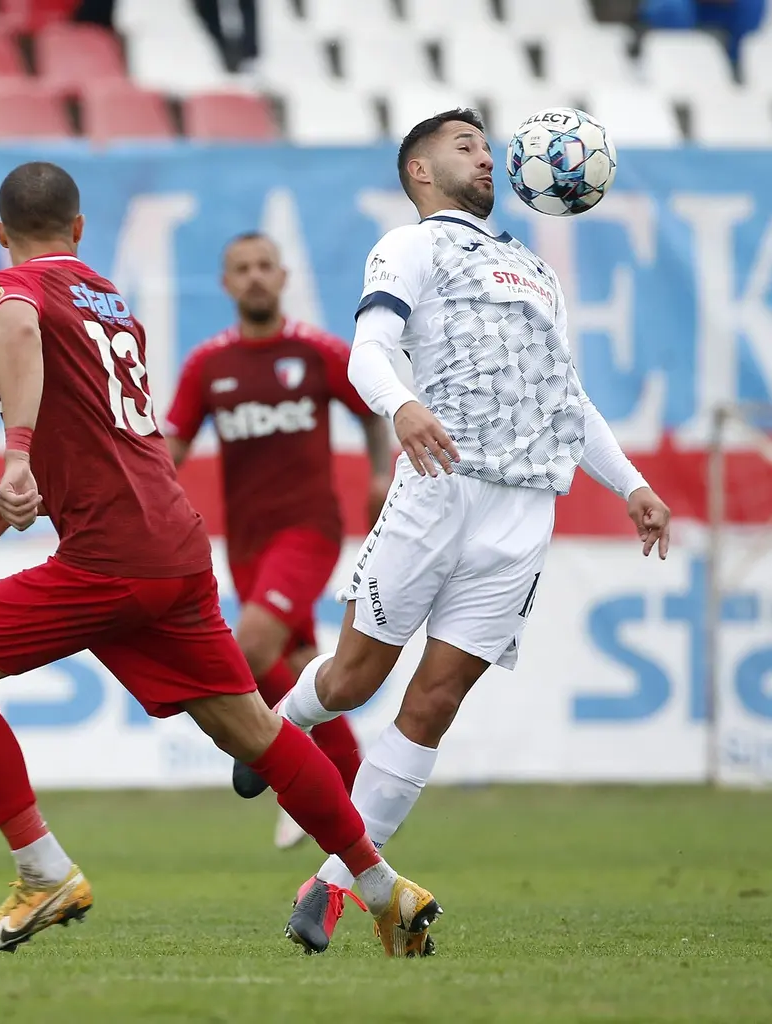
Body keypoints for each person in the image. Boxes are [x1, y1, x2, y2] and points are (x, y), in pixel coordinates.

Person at [0, 161, 440, 958]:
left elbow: (15, 325)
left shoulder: (4, 289)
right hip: (174, 551)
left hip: (107, 562)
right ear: (79, 229)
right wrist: (28, 496)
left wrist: (15, 459)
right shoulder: (108, 303)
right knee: (253, 729)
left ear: (0, 234)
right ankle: (380, 886)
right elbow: (117, 448)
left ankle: (42, 872)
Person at [232, 109, 672, 952]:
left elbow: (566, 398)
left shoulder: (535, 270)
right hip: (438, 490)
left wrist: (632, 483)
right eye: (464, 145)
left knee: (433, 704)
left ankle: (329, 887)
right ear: (420, 171)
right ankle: (276, 728)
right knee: (354, 680)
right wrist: (402, 406)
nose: (485, 156)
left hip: (522, 514)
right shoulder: (410, 246)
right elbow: (369, 349)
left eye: (486, 146)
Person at [165, 232, 391, 850]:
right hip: (245, 545)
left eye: (265, 265)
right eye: (242, 268)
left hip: (308, 532)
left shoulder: (315, 351)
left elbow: (372, 411)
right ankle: (343, 795)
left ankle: (287, 770)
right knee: (294, 667)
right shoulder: (208, 364)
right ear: (226, 283)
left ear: (284, 275)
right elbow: (171, 448)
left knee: (252, 644)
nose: (255, 277)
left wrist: (379, 475)